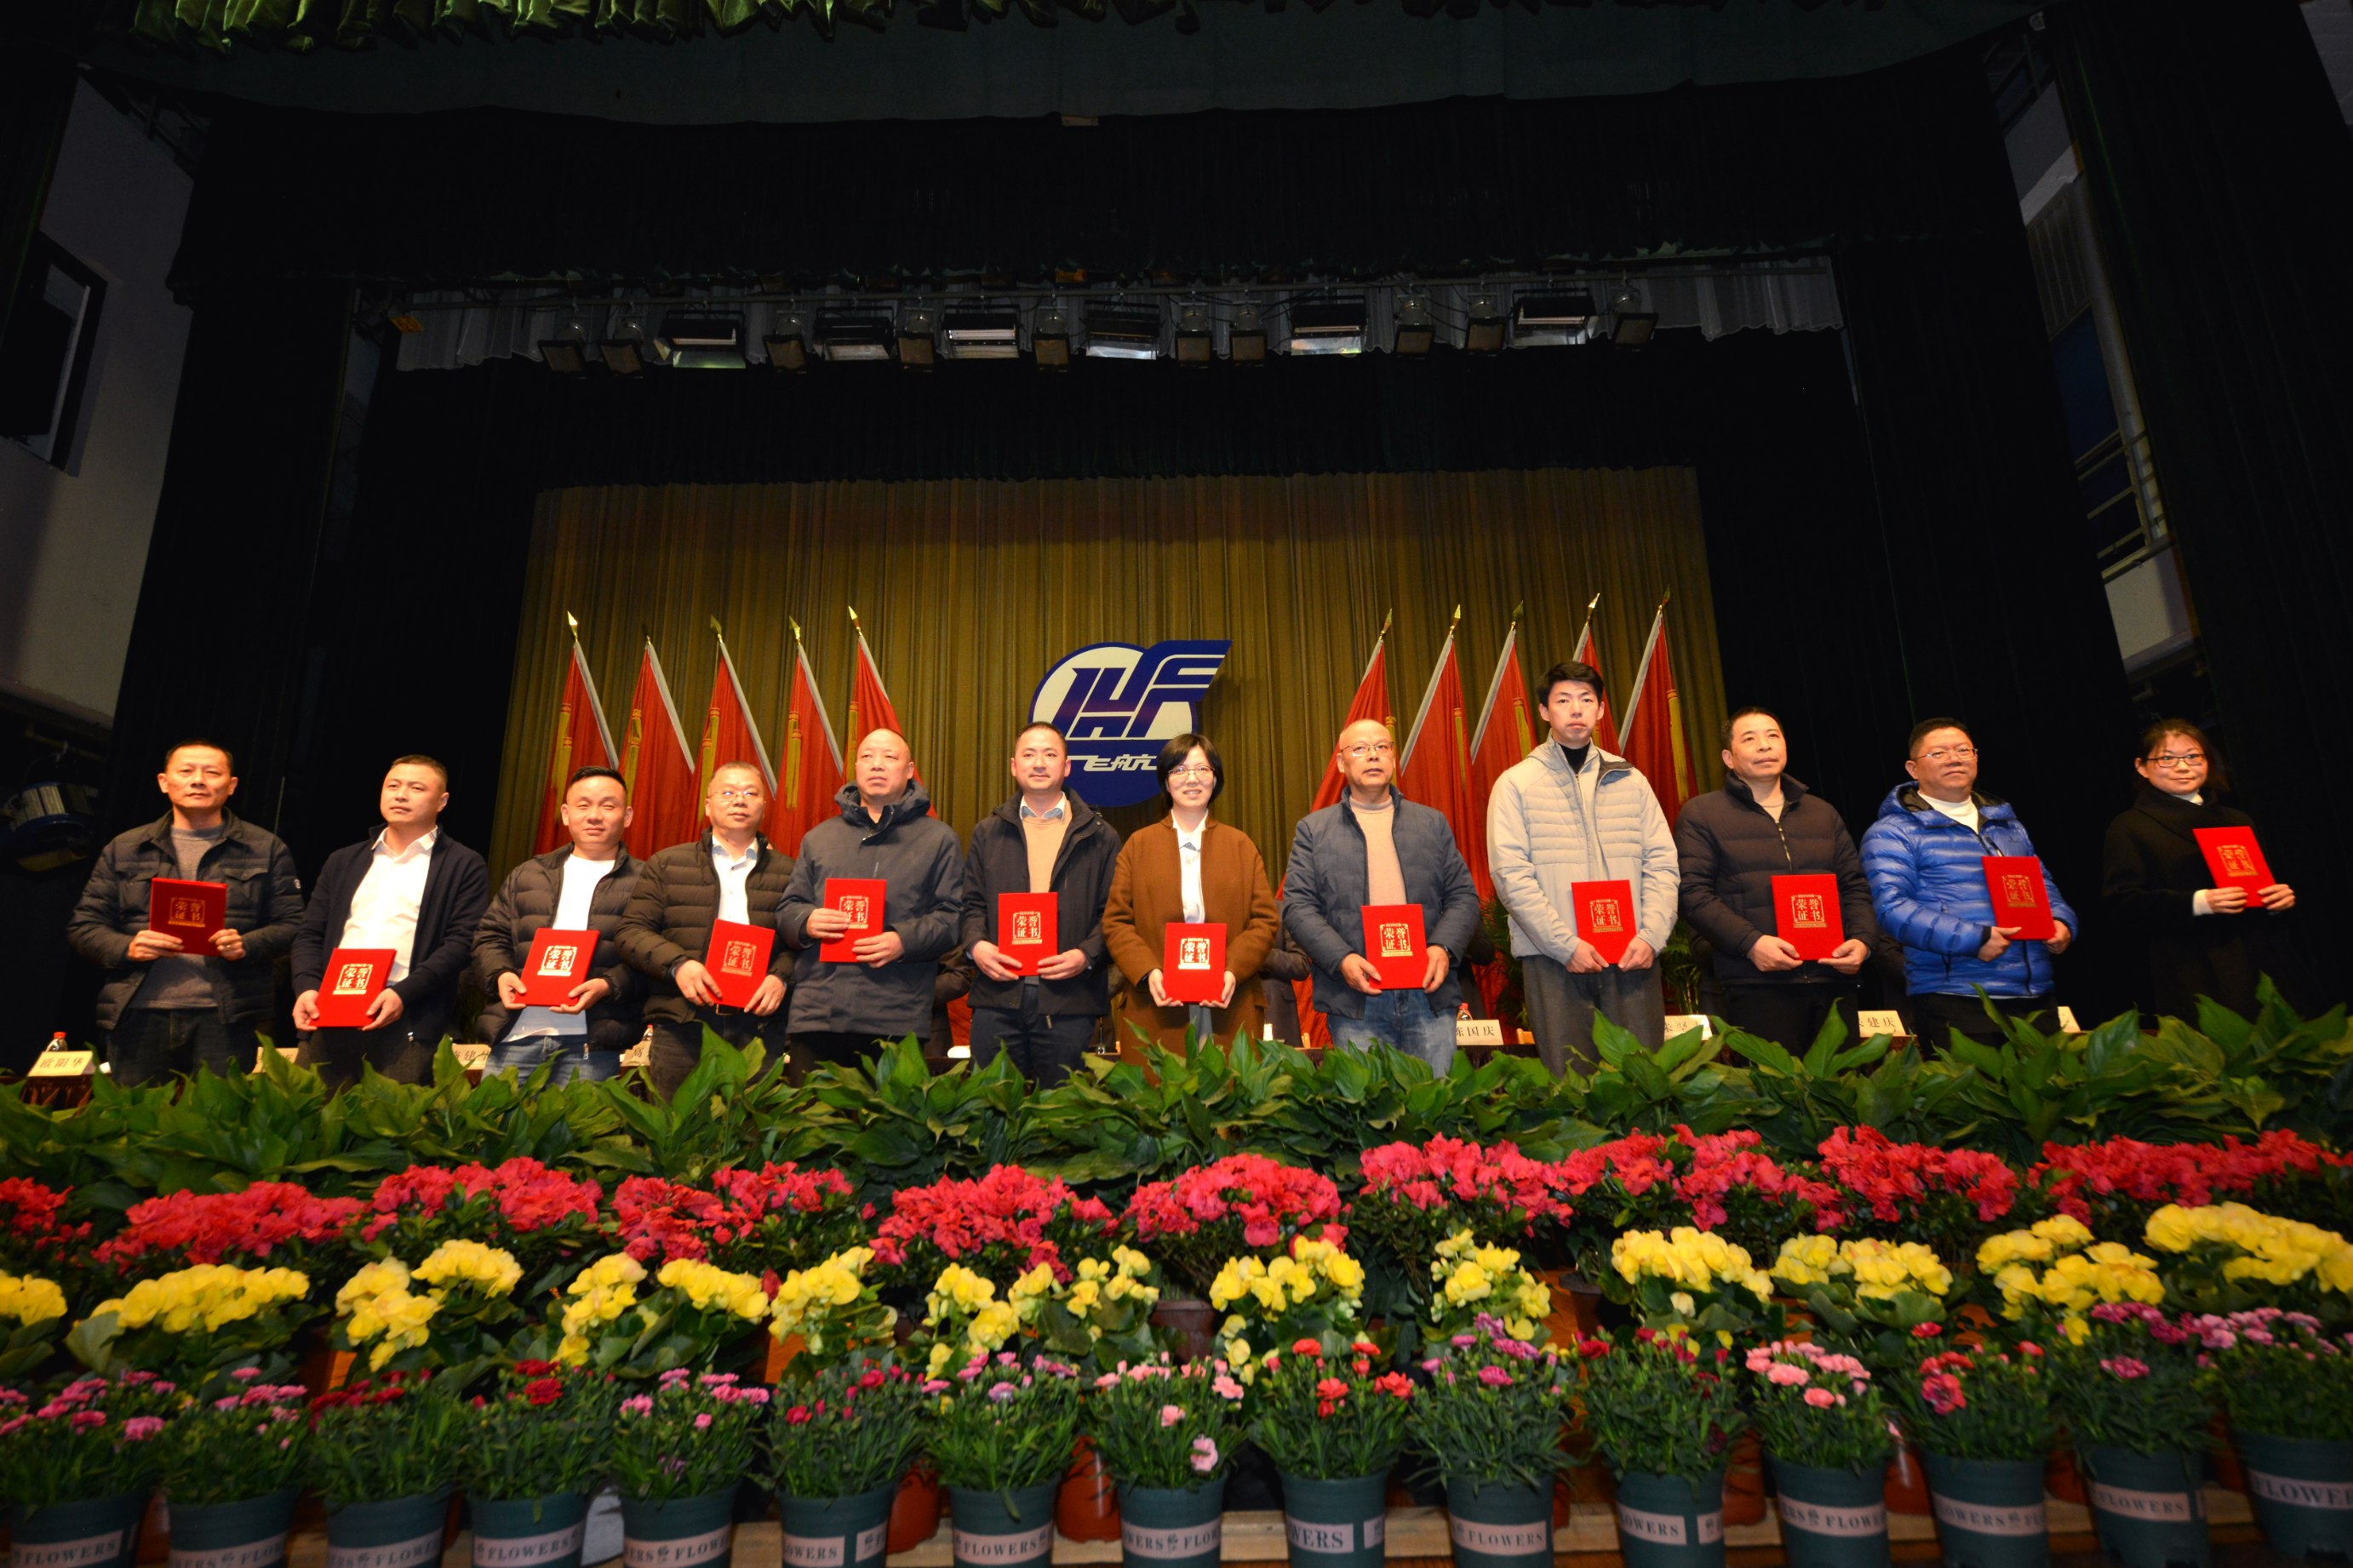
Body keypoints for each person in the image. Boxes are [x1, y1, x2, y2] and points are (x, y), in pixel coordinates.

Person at [67, 740, 305, 1085]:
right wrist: (127, 947)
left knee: (219, 1117)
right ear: (164, 782)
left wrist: (247, 944)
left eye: (212, 773)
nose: (198, 780)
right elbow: (84, 925)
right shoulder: (126, 847)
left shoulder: (265, 848)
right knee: (137, 1117)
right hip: (137, 1011)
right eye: (186, 771)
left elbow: (294, 924)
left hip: (228, 1016)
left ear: (232, 785)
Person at [1486, 660, 1678, 1075]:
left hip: (1632, 955)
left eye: (1586, 700)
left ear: (1601, 710)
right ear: (1544, 711)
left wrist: (1652, 935)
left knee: (1642, 1082)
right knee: (1570, 1084)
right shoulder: (1516, 784)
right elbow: (1511, 876)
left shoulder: (1631, 780)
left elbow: (1663, 865)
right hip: (1555, 960)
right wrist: (1564, 945)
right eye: (1563, 700)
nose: (1576, 709)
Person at [1861, 718, 2077, 1049]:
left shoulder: (2006, 824)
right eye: (1938, 753)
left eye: (1963, 750)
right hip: (1955, 996)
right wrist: (1973, 939)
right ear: (1913, 768)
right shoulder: (1893, 832)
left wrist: (2061, 921)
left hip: (2034, 994)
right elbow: (1892, 909)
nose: (1954, 759)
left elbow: (2042, 884)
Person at [1282, 718, 1481, 1071]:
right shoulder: (1314, 830)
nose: (1373, 755)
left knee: (1433, 1099)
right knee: (1367, 1101)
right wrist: (1342, 959)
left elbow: (1463, 896)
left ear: (1393, 757)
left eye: (1382, 747)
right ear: (1341, 763)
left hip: (1428, 994)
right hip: (1356, 998)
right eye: (1360, 748)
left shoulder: (1431, 823)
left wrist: (1443, 947)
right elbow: (1298, 907)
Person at [1675, 707, 1877, 1050]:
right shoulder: (1703, 813)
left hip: (1831, 979)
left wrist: (1862, 941)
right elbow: (1693, 893)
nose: (1765, 745)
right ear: (1728, 758)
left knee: (1841, 1081)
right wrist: (1751, 943)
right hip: (1755, 982)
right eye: (1749, 739)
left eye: (1773, 736)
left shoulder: (1822, 813)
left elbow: (1854, 886)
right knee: (1769, 1083)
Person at [291, 755, 489, 1087]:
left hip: (408, 1016)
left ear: (442, 802)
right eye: (393, 786)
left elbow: (461, 943)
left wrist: (403, 994)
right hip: (331, 1012)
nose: (400, 795)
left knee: (394, 1118)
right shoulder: (344, 860)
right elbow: (310, 934)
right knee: (313, 1116)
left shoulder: (462, 864)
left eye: (416, 788)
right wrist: (307, 987)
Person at [777, 729, 965, 1079]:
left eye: (889, 757)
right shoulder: (819, 838)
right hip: (818, 1015)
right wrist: (806, 921)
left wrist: (902, 940)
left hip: (896, 1013)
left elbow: (952, 917)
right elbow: (788, 909)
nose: (877, 764)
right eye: (867, 756)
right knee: (813, 1114)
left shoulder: (939, 840)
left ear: (909, 770)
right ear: (856, 767)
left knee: (889, 1114)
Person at [613, 761, 795, 1098]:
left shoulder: (791, 872)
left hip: (759, 1026)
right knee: (677, 1125)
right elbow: (631, 932)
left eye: (750, 793)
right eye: (728, 792)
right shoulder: (667, 864)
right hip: (684, 1022)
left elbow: (803, 942)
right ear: (708, 806)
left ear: (763, 806)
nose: (739, 800)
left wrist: (781, 977)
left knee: (753, 1126)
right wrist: (678, 964)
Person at [961, 723, 1121, 1087]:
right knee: (991, 1107)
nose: (1039, 763)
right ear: (1013, 766)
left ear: (1067, 767)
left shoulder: (1100, 836)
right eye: (1029, 754)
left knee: (1064, 1112)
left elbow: (1113, 914)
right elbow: (970, 905)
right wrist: (976, 945)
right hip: (997, 996)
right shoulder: (988, 832)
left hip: (1071, 1000)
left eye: (1050, 754)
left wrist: (1086, 955)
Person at [1102, 733, 1280, 1059]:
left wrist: (1232, 970)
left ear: (1216, 778)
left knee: (1228, 1088)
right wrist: (1148, 971)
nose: (1192, 779)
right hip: (1156, 1005)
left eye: (1202, 769)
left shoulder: (1240, 845)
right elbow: (1116, 922)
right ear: (1166, 781)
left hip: (1229, 1002)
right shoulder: (1138, 846)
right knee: (1160, 1089)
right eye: (1180, 770)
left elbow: (1264, 921)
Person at [2102, 718, 2295, 1021]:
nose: (2183, 767)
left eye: (2193, 756)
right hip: (2194, 967)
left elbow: (2259, 883)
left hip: (2261, 958)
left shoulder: (2236, 819)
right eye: (2167, 758)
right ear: (2142, 767)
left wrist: (2276, 900)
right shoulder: (2131, 826)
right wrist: (2198, 902)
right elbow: (2122, 904)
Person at [472, 765, 646, 1086]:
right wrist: (500, 974)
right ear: (566, 814)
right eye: (583, 805)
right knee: (497, 1119)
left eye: (608, 806)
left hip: (593, 1043)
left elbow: (651, 955)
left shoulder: (647, 882)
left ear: (627, 816)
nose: (594, 816)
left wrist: (608, 985)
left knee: (580, 1121)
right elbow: (489, 936)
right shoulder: (529, 874)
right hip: (516, 1034)